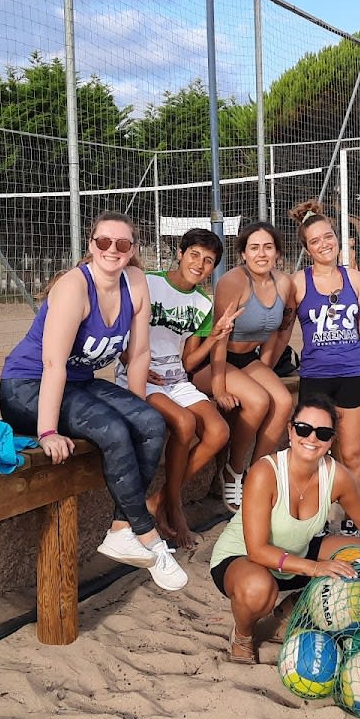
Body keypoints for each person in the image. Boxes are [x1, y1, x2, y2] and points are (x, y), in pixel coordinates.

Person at [0, 211, 187, 591]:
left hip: (77, 382)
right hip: (27, 387)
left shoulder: (134, 282)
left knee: (149, 423)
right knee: (113, 431)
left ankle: (120, 529)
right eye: (104, 242)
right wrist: (48, 430)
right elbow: (53, 364)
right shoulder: (74, 287)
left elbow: (138, 354)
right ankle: (148, 537)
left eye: (122, 244)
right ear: (91, 245)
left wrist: (138, 412)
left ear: (133, 250)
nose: (112, 250)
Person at [208, 396, 360, 663]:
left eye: (323, 433)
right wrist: (314, 569)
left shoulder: (337, 476)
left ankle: (290, 609)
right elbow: (258, 550)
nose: (312, 438)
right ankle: (243, 633)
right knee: (258, 589)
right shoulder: (265, 472)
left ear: (331, 440)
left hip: (298, 551)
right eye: (303, 428)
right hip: (244, 558)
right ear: (290, 430)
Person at [117, 228, 232, 550]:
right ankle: (176, 507)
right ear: (180, 253)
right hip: (138, 375)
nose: (200, 264)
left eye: (209, 261)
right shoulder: (146, 281)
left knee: (219, 432)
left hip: (175, 378)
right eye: (194, 254)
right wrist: (134, 363)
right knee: (184, 423)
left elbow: (189, 359)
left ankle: (160, 500)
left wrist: (216, 336)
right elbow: (118, 329)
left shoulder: (202, 303)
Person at [288, 200, 360, 537]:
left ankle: (354, 516)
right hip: (317, 377)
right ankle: (315, 517)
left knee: (353, 452)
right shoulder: (299, 283)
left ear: (336, 238)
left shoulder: (355, 279)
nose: (324, 244)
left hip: (355, 375)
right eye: (315, 241)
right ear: (307, 248)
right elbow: (282, 328)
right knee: (312, 450)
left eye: (327, 236)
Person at [193, 221, 295, 513]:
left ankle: (257, 476)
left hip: (248, 358)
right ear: (243, 253)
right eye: (254, 248)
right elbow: (220, 334)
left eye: (268, 247)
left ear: (277, 252)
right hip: (214, 358)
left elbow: (280, 330)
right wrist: (219, 385)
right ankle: (233, 470)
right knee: (259, 400)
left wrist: (265, 368)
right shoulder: (233, 281)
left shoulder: (283, 283)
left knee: (284, 401)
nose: (261, 254)